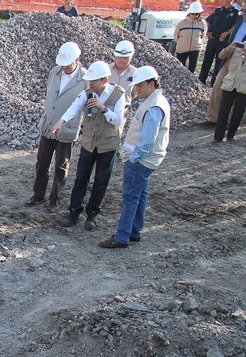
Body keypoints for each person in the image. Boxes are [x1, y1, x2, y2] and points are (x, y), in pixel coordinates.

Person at [99, 66, 170, 249]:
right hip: (147, 160)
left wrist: (134, 157)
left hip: (140, 160)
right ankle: (134, 231)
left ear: (151, 84)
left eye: (140, 86)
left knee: (130, 197)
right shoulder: (156, 101)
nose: (137, 90)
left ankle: (122, 237)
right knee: (140, 195)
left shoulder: (154, 107)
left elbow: (147, 140)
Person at [52, 61, 126, 231]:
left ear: (104, 80)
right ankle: (74, 211)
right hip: (89, 143)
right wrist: (60, 122)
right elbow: (74, 108)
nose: (90, 84)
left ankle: (92, 213)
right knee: (81, 178)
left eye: (93, 81)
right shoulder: (87, 94)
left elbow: (118, 120)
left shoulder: (118, 95)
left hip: (108, 145)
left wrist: (103, 108)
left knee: (101, 181)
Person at [26, 42, 86, 210]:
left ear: (77, 60)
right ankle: (38, 195)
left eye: (68, 64)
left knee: (61, 165)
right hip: (49, 125)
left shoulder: (84, 79)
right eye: (63, 64)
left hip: (67, 129)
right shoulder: (55, 72)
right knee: (42, 162)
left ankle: (55, 199)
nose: (65, 67)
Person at [206, 6, 245, 124]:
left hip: (242, 61)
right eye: (242, 10)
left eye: (245, 11)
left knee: (236, 91)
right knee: (218, 86)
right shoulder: (239, 19)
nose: (243, 13)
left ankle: (229, 122)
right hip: (230, 56)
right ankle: (213, 118)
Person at [198, 0, 239, 85]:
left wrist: (227, 32)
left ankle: (214, 82)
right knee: (206, 60)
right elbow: (208, 21)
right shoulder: (218, 10)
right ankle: (201, 80)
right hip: (212, 38)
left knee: (219, 62)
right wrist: (207, 32)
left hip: (223, 40)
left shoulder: (235, 12)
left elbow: (236, 26)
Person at [213, 39, 246, 141]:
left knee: (238, 112)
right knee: (223, 111)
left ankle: (230, 135)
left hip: (244, 86)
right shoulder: (238, 47)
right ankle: (218, 137)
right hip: (230, 83)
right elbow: (221, 55)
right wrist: (231, 47)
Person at [174, 2, 207, 73]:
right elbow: (176, 35)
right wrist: (182, 43)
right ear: (189, 13)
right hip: (182, 48)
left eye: (196, 14)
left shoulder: (202, 24)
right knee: (181, 67)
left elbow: (202, 35)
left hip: (195, 48)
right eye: (193, 13)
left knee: (193, 66)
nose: (194, 16)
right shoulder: (181, 23)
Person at [109, 40, 136, 104]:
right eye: (120, 57)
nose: (123, 60)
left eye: (126, 57)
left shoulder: (135, 73)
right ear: (115, 56)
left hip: (124, 111)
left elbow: (134, 93)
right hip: (105, 110)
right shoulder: (106, 70)